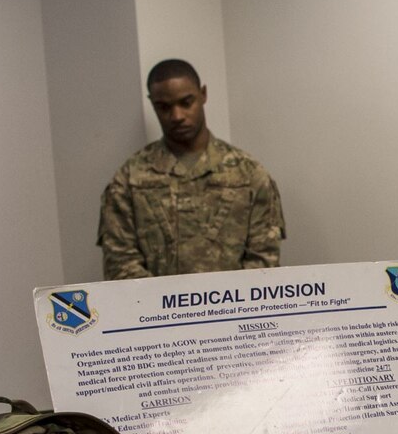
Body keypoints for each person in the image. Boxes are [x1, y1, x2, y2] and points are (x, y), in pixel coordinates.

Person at [97, 58, 285, 279]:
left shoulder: (249, 174)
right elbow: (121, 264)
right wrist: (168, 310)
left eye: (186, 102)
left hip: (234, 309)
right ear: (152, 103)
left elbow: (264, 264)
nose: (177, 116)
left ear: (203, 94)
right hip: (155, 311)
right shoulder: (130, 179)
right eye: (164, 107)